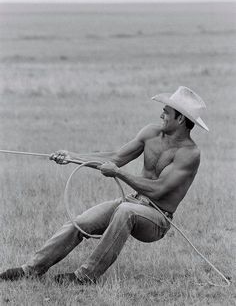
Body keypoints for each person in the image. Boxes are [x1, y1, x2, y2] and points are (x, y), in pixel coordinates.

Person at [0, 86, 209, 284]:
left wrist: (118, 173)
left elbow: (159, 189)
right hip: (132, 201)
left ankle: (85, 277)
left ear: (180, 118)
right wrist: (72, 156)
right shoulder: (151, 132)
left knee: (126, 210)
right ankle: (30, 270)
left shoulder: (189, 154)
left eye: (166, 112)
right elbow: (115, 157)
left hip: (157, 218)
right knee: (80, 222)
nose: (160, 115)